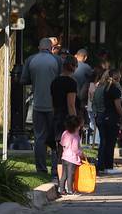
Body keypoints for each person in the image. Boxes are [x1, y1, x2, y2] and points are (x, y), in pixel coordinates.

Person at [20, 37, 62, 176]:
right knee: (57, 138)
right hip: (54, 105)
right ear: (51, 48)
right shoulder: (56, 60)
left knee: (39, 138)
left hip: (38, 104)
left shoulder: (30, 60)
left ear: (39, 47)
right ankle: (56, 169)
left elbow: (23, 80)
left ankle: (41, 169)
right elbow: (61, 79)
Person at [50, 55, 80, 183]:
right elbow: (71, 104)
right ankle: (64, 176)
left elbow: (53, 101)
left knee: (57, 146)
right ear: (73, 67)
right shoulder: (71, 83)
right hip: (67, 118)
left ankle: (54, 172)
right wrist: (75, 122)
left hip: (56, 115)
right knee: (68, 148)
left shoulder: (55, 81)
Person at [94, 69, 122, 175]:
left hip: (101, 116)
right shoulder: (114, 89)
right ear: (117, 78)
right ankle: (108, 165)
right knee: (110, 142)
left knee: (103, 141)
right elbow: (118, 105)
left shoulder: (102, 88)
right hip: (111, 118)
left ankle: (101, 165)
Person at [59, 115, 84, 196]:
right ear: (76, 127)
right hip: (72, 159)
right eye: (79, 126)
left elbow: (62, 143)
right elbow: (75, 149)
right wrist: (81, 154)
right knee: (71, 175)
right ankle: (70, 190)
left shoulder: (65, 133)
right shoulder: (76, 136)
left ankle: (62, 189)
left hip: (65, 157)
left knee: (64, 175)